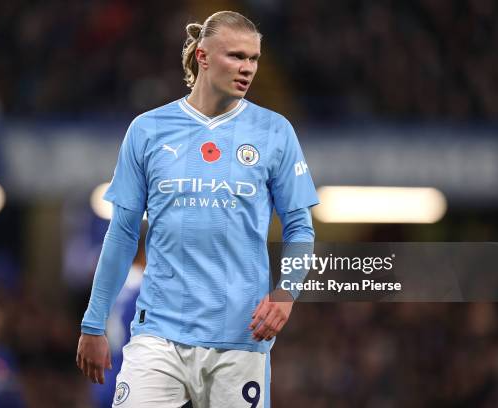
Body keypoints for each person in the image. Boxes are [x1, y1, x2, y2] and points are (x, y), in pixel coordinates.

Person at [76, 10, 318, 408]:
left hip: (241, 340)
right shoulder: (148, 130)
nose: (248, 68)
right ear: (203, 56)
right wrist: (93, 321)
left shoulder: (275, 131)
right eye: (236, 56)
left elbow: (300, 229)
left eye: (254, 58)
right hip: (158, 335)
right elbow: (121, 233)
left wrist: (286, 293)